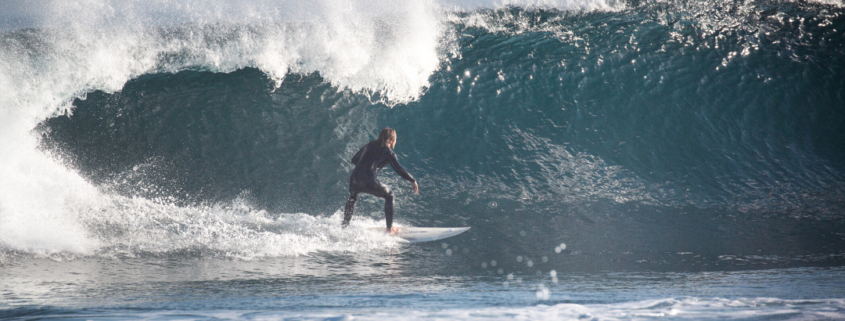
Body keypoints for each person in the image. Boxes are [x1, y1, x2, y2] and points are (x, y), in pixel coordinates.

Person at [342, 127, 419, 233]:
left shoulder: (369, 144)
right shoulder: (389, 152)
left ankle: (344, 226)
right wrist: (412, 180)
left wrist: (366, 166)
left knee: (353, 198)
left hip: (354, 179)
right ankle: (389, 229)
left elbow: (354, 159)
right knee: (390, 195)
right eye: (395, 139)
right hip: (368, 180)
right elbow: (399, 169)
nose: (395, 142)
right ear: (391, 140)